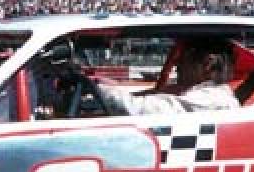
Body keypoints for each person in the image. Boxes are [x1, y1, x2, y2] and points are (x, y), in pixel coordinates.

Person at [98, 38, 240, 116]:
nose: (177, 63)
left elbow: (137, 108)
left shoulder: (209, 100)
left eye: (184, 57)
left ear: (207, 63)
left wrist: (100, 88)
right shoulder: (214, 95)